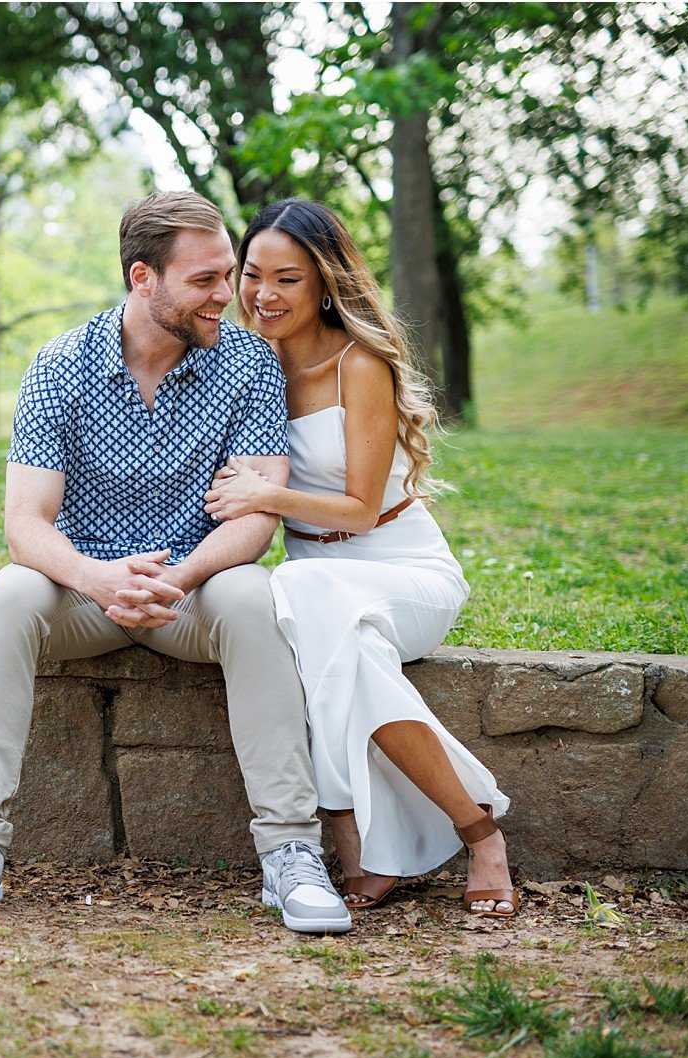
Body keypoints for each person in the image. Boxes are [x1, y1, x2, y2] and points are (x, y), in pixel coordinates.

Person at [0, 191, 352, 935]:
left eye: (229, 273)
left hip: (192, 596)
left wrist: (179, 577)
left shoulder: (248, 363)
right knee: (9, 592)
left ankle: (290, 852)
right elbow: (25, 525)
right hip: (84, 597)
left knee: (253, 593)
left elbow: (254, 518)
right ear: (142, 278)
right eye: (205, 280)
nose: (231, 294)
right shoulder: (61, 365)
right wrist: (98, 578)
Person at [204, 198, 518, 918]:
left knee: (303, 591)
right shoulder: (245, 363)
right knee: (334, 637)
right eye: (252, 274)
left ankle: (358, 839)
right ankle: (477, 830)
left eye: (287, 279)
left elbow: (362, 509)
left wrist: (266, 496)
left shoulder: (360, 364)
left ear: (324, 284)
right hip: (320, 583)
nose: (263, 294)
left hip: (402, 569)